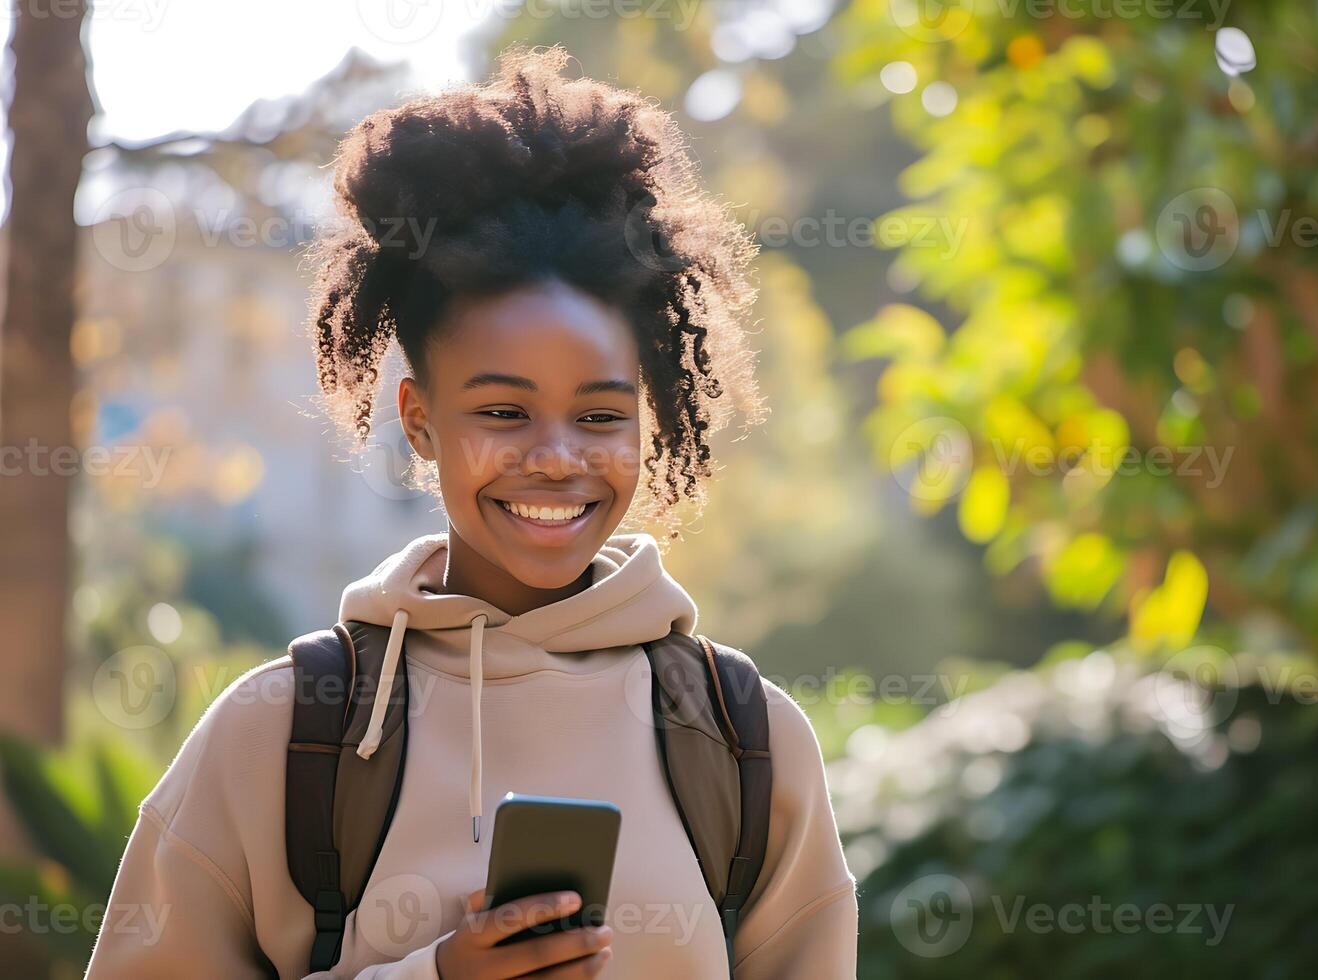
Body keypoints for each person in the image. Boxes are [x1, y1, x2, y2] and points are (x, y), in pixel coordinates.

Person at [85, 43, 859, 979]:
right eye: (502, 411)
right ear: (419, 421)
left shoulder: (744, 742)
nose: (557, 458)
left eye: (601, 415)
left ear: (648, 418)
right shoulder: (286, 733)